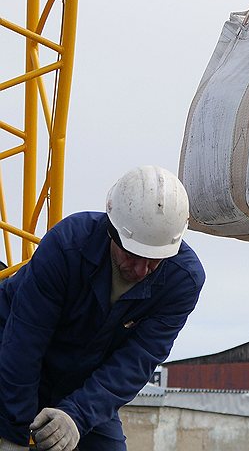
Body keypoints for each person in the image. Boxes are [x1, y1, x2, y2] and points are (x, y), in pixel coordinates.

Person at [0, 166, 205, 451]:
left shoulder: (182, 281)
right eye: (133, 255)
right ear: (112, 230)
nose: (142, 270)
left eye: (155, 260)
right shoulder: (66, 246)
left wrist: (76, 416)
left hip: (82, 380)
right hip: (9, 352)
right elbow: (24, 341)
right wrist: (13, 433)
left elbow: (136, 361)